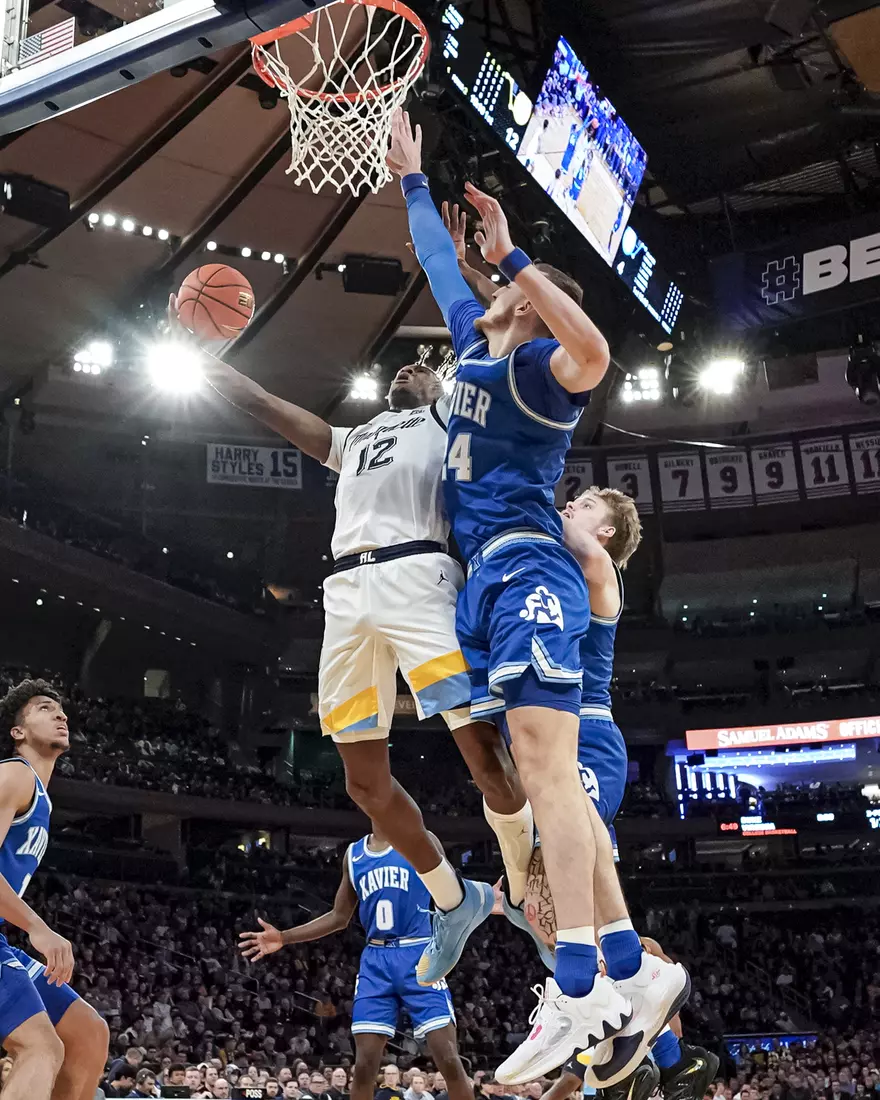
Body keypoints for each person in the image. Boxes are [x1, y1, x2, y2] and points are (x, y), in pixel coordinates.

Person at [170, 300, 534, 940]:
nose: (405, 370)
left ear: (440, 384)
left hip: (419, 576)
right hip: (344, 590)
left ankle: (530, 884)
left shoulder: (453, 419)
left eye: (420, 366)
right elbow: (262, 403)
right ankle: (454, 900)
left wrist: (491, 283)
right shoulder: (355, 439)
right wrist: (200, 357)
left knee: (483, 752)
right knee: (364, 785)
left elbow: (503, 342)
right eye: (400, 366)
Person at [387, 108, 627, 1073]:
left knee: (543, 766)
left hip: (529, 567)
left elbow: (598, 355)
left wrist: (518, 258)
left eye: (498, 286)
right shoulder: (476, 348)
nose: (476, 284)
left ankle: (574, 982)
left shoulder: (537, 365)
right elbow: (444, 273)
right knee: (524, 775)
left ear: (526, 302)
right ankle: (615, 959)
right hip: (482, 586)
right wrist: (409, 182)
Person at [497, 490, 693, 1088]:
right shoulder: (547, 576)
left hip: (586, 735)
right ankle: (628, 1009)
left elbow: (554, 525)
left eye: (583, 505)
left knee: (556, 863)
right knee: (537, 879)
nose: (571, 505)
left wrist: (513, 482)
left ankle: (599, 996)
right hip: (543, 731)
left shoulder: (600, 571)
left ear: (606, 533)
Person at [239, 830, 472, 1100]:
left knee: (448, 1060)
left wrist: (486, 898)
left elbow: (454, 890)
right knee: (363, 1067)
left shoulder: (421, 837)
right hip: (376, 959)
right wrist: (284, 936)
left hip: (418, 951)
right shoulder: (355, 854)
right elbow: (339, 916)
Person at [0, 678, 110, 1100]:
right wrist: (37, 926)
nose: (61, 714)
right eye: (45, 709)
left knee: (87, 1033)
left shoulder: (41, 797)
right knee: (41, 1047)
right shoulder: (15, 775)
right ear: (18, 732)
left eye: (61, 710)